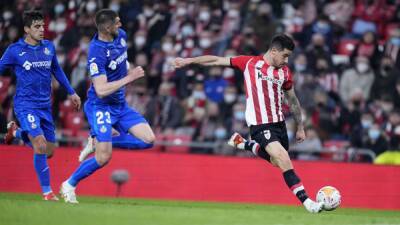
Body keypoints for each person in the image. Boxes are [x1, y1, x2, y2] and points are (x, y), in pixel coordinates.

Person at [172, 34, 324, 213]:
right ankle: (308, 203)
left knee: (278, 162)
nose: (287, 60)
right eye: (285, 55)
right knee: (284, 159)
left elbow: (292, 100)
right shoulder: (249, 63)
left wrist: (300, 126)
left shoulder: (285, 72)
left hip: (279, 124)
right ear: (273, 51)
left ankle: (244, 143)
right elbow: (216, 60)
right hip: (260, 125)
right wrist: (189, 60)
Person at [59, 9, 155, 204]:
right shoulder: (96, 52)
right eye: (117, 22)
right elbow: (101, 89)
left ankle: (98, 143)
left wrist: (126, 70)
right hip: (100, 106)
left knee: (148, 140)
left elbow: (120, 62)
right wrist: (130, 78)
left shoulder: (121, 36)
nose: (121, 25)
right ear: (107, 27)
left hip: (120, 104)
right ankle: (69, 184)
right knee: (104, 158)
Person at [0, 11, 81, 201]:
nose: (41, 30)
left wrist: (72, 92)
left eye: (42, 26)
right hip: (25, 104)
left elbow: (57, 70)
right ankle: (47, 192)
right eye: (36, 27)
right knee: (40, 145)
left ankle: (16, 132)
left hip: (45, 105)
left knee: (49, 151)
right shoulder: (15, 50)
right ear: (27, 29)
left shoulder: (49, 47)